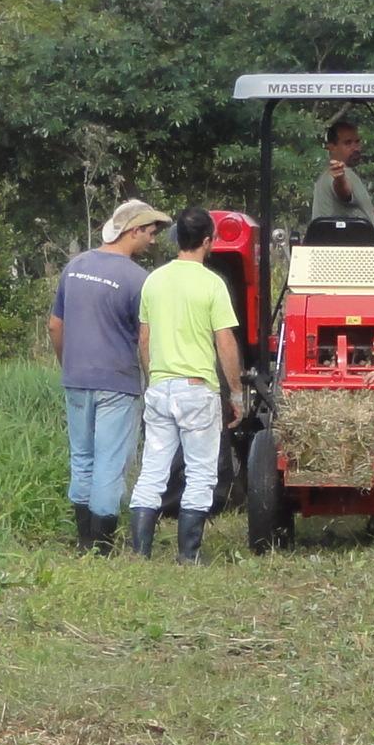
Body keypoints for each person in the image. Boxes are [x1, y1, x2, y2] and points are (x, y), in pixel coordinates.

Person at [127, 209, 246, 565]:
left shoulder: (154, 280)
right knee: (200, 473)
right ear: (208, 241)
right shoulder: (212, 284)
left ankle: (140, 552)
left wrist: (153, 379)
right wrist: (236, 393)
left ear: (177, 238)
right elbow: (225, 342)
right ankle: (188, 554)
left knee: (153, 469)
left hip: (160, 387)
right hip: (197, 389)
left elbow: (144, 339)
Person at [50, 199, 168, 552]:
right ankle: (102, 545)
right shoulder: (138, 280)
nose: (153, 240)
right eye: (150, 232)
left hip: (76, 377)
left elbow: (55, 326)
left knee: (82, 457)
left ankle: (84, 539)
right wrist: (151, 380)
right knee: (110, 462)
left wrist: (67, 362)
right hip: (117, 382)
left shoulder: (74, 267)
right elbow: (145, 337)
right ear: (132, 231)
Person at [310, 119, 374, 236]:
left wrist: (371, 213)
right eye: (348, 143)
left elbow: (348, 206)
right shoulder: (335, 175)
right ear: (331, 147)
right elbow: (344, 193)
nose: (356, 148)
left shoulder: (348, 173)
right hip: (345, 251)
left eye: (357, 142)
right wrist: (340, 179)